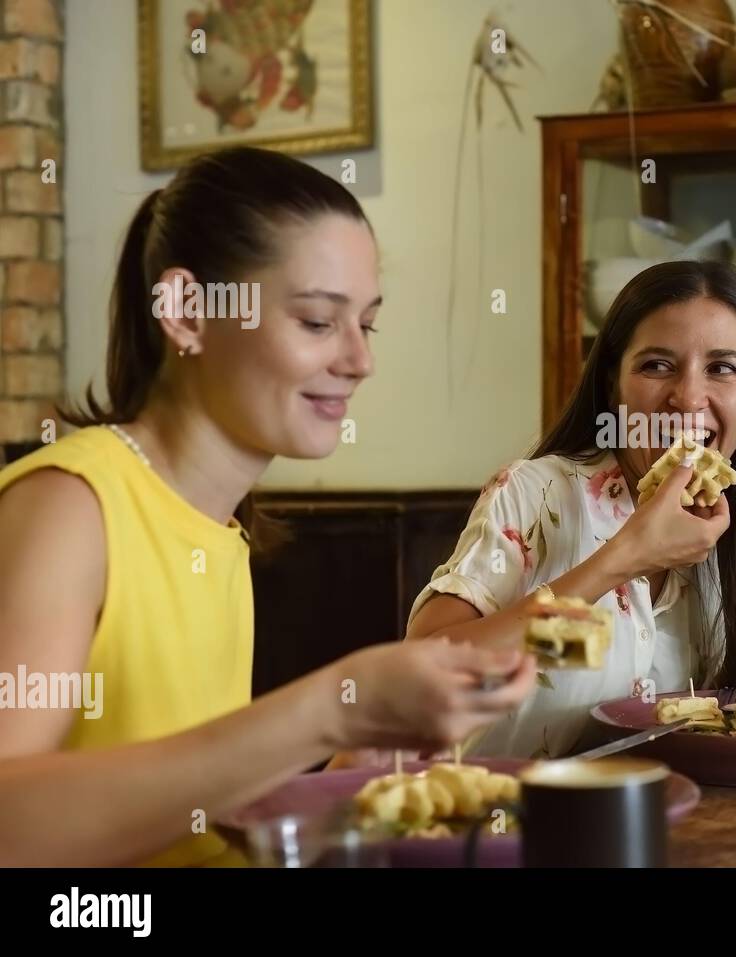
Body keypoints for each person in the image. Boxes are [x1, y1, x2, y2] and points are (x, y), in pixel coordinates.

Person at [0, 147, 534, 867]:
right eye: (318, 321)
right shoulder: (69, 505)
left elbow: (188, 814)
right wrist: (331, 708)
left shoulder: (221, 528)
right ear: (187, 312)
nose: (359, 359)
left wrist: (347, 764)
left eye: (366, 324)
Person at [405, 260, 736, 759]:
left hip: (645, 819)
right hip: (492, 822)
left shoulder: (716, 524)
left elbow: (676, 712)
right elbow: (419, 670)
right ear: (613, 389)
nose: (687, 398)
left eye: (721, 368)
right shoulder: (535, 494)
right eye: (656, 365)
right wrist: (624, 556)